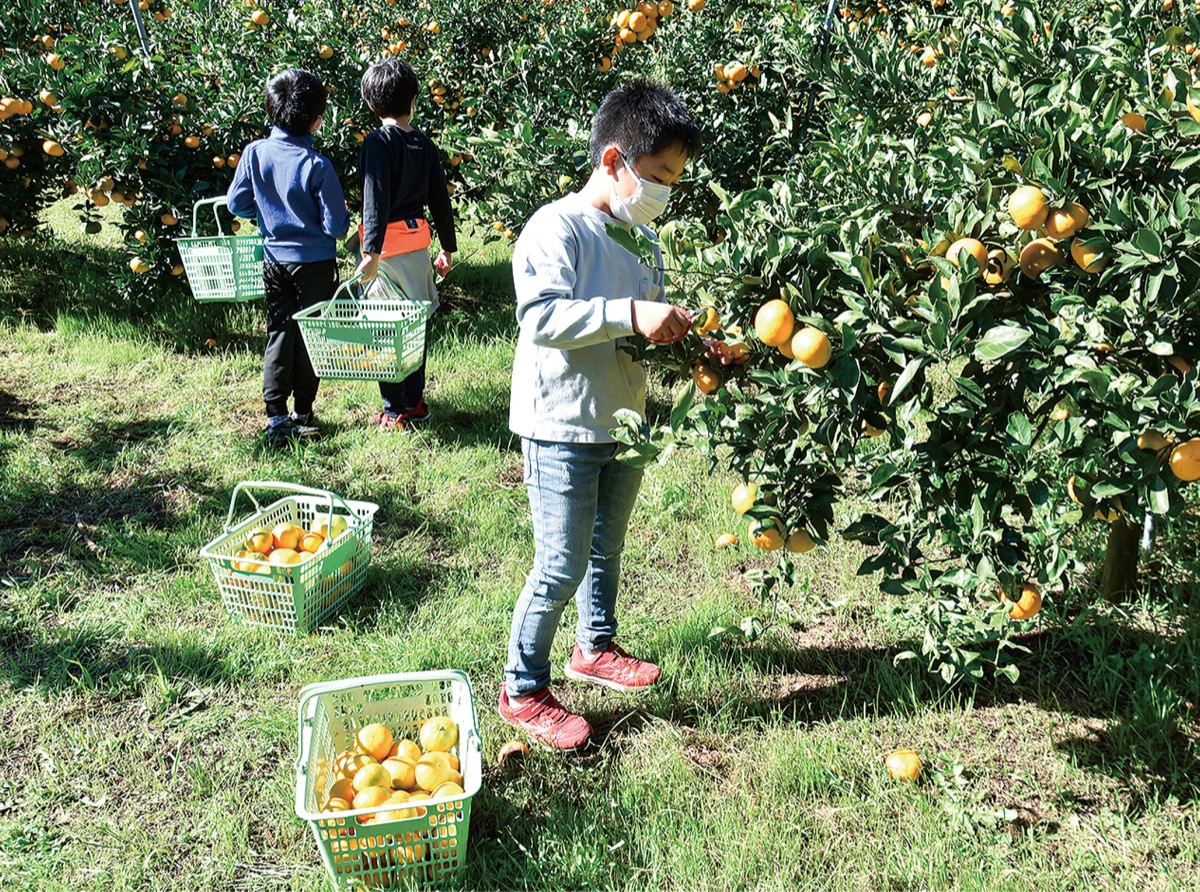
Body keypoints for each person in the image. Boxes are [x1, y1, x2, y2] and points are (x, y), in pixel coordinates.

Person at [499, 80, 702, 750]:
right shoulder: (557, 227)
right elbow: (542, 317)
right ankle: (522, 688)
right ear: (614, 161)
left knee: (603, 548)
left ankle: (595, 647)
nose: (666, 191)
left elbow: (649, 327)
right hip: (560, 421)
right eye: (660, 175)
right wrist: (630, 314)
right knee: (559, 563)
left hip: (622, 417)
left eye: (675, 178)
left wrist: (698, 345)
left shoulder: (645, 241)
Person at [227, 68, 350, 445]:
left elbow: (237, 203)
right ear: (316, 121)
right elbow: (336, 227)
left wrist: (266, 215)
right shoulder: (317, 166)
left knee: (279, 330)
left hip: (274, 260)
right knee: (311, 334)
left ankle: (276, 414)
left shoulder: (254, 154)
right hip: (314, 264)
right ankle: (304, 410)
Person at [355, 58, 456, 431]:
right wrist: (447, 248)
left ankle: (394, 408)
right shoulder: (424, 144)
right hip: (417, 249)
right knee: (416, 327)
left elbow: (374, 198)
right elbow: (439, 200)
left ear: (371, 104)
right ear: (414, 100)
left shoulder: (377, 144)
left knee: (386, 330)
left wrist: (371, 254)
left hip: (388, 252)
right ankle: (414, 402)